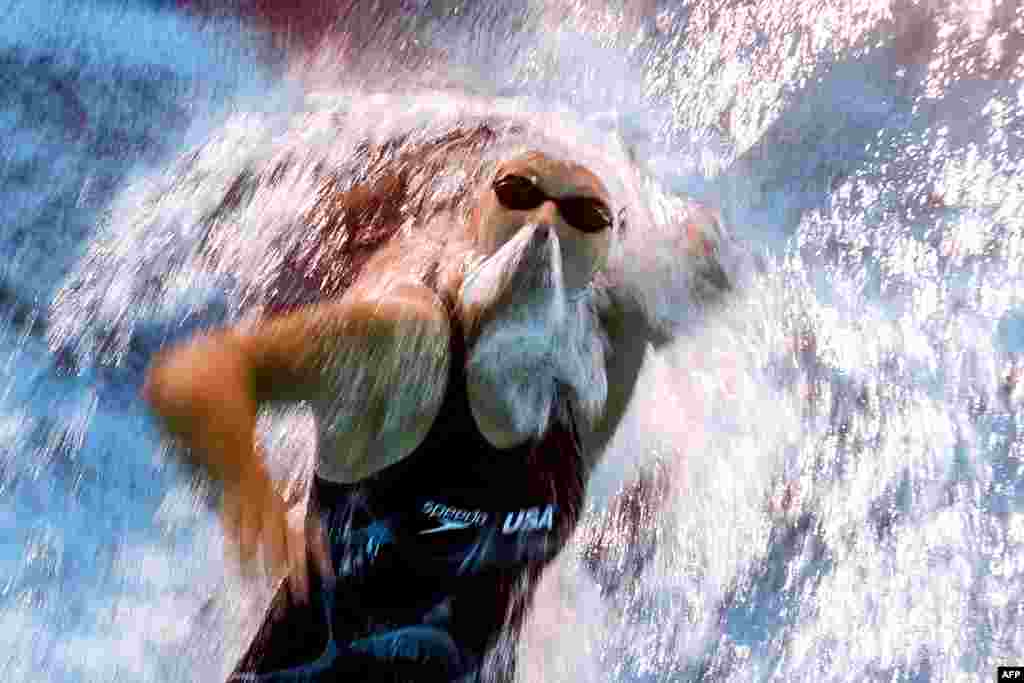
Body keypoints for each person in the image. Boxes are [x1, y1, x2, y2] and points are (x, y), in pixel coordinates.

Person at [143, 124, 729, 681]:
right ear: (475, 217)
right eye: (518, 191)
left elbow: (724, 247)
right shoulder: (408, 348)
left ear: (603, 255)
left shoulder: (592, 372)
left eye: (584, 213)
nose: (546, 221)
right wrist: (247, 485)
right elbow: (196, 374)